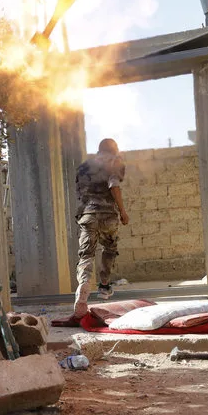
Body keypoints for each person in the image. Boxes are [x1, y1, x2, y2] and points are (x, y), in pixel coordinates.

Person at [70, 138, 129, 323]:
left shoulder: (83, 167)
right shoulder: (114, 162)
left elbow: (79, 192)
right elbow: (114, 185)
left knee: (86, 255)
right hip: (107, 215)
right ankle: (104, 286)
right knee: (109, 248)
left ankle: (83, 285)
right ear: (114, 149)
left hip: (87, 214)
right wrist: (123, 211)